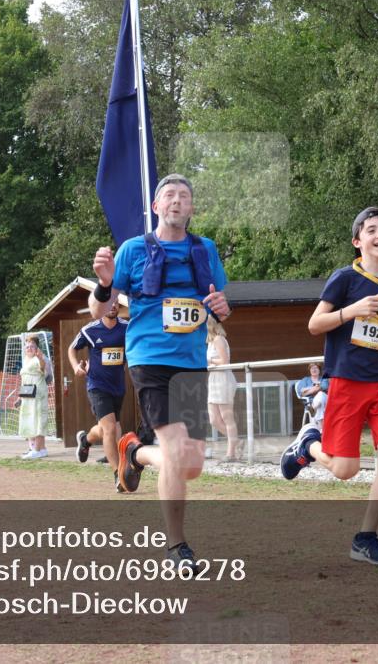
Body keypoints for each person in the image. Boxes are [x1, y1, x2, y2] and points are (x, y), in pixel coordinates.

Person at [90, 173, 230, 568]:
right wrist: (104, 284)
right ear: (156, 206)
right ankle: (176, 547)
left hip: (192, 363)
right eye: (169, 195)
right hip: (149, 359)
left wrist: (222, 307)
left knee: (193, 465)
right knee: (174, 452)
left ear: (192, 208)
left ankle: (133, 453)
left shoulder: (206, 250)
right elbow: (99, 311)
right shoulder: (133, 250)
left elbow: (221, 304)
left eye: (184, 196)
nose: (176, 201)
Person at [280, 206, 378, 566]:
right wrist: (352, 310)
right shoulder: (345, 278)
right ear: (357, 241)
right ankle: (308, 445)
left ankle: (366, 538)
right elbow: (316, 325)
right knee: (346, 470)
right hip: (347, 382)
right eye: (372, 229)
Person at [68, 300, 128, 486]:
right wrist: (76, 366)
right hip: (97, 385)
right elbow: (72, 348)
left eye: (116, 303)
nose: (113, 306)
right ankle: (119, 475)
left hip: (118, 386)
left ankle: (86, 440)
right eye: (109, 303)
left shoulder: (127, 327)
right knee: (112, 429)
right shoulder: (90, 330)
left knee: (105, 430)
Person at [206, 316, 240, 462]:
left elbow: (224, 361)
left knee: (227, 418)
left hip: (223, 379)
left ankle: (230, 453)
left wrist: (209, 361)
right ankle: (236, 441)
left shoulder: (219, 339)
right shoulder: (210, 342)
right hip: (214, 379)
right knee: (214, 419)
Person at [19, 336, 51, 460]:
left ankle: (36, 450)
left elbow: (43, 370)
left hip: (38, 393)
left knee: (38, 419)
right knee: (31, 419)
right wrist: (20, 397)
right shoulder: (26, 359)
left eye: (32, 346)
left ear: (37, 348)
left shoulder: (41, 358)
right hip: (28, 393)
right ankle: (41, 449)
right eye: (27, 346)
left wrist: (40, 358)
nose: (29, 348)